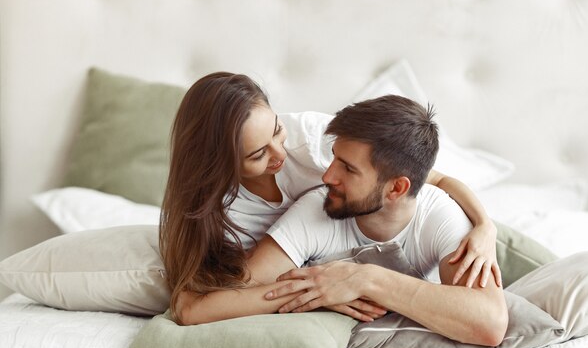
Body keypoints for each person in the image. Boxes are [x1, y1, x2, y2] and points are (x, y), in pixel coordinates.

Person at [161, 72, 501, 326]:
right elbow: (198, 303)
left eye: (277, 130)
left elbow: (429, 179)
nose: (281, 153)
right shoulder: (233, 211)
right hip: (317, 233)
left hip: (386, 215)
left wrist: (485, 225)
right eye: (258, 154)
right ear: (219, 163)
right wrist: (319, 293)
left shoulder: (311, 141)